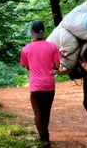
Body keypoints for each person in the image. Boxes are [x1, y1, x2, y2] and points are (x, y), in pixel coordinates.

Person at [20, 20, 61, 148]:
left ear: (32, 32)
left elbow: (27, 67)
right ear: (44, 32)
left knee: (38, 113)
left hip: (35, 86)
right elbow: (57, 66)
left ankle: (44, 139)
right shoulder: (52, 47)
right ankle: (45, 135)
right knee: (46, 111)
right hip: (49, 84)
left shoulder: (26, 49)